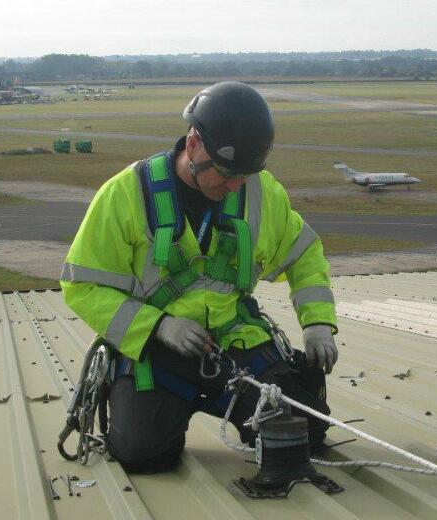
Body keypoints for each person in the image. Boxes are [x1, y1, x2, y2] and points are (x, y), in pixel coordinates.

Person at [60, 82, 338, 473]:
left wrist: (318, 323)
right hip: (158, 351)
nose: (235, 186)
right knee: (142, 452)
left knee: (302, 433)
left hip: (236, 345)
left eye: (245, 175)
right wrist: (156, 325)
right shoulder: (126, 194)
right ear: (193, 146)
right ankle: (154, 407)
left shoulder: (259, 191)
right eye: (227, 174)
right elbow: (82, 283)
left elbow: (303, 252)